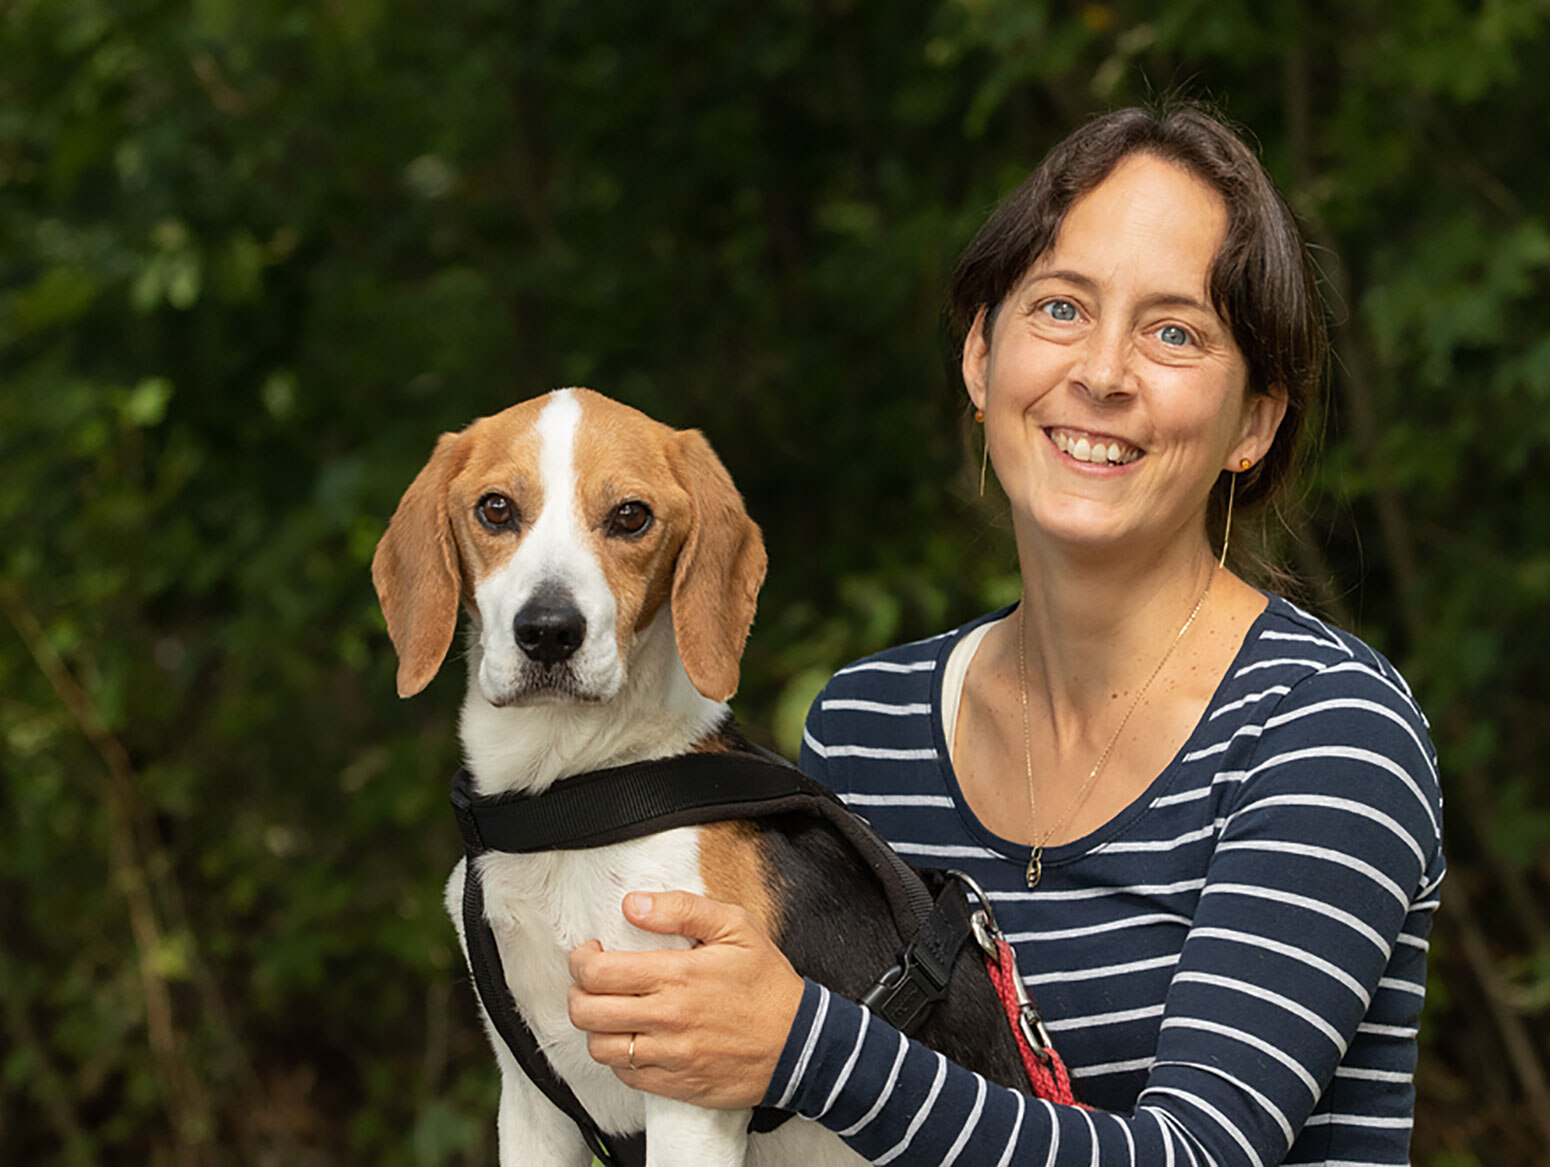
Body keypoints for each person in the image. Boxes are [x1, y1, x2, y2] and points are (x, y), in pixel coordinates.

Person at [566, 101, 1444, 1166]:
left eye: (1173, 332)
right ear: (981, 358)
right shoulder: (871, 727)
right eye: (1061, 308)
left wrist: (800, 1044)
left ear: (1252, 422)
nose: (1104, 373)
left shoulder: (1326, 730)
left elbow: (1197, 1154)